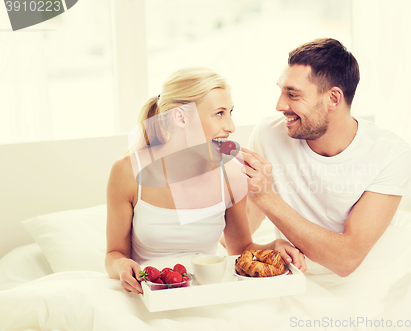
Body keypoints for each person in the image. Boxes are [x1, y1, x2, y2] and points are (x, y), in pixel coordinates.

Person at [105, 67, 305, 294]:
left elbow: (240, 249)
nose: (230, 127)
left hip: (205, 292)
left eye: (230, 112)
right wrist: (121, 265)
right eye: (219, 113)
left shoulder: (231, 175)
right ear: (180, 117)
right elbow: (114, 254)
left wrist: (273, 247)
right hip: (147, 294)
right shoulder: (127, 172)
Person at [240, 38, 411, 277]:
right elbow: (244, 228)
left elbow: (347, 259)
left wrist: (268, 198)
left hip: (371, 280)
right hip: (292, 275)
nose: (279, 105)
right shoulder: (268, 134)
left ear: (333, 98)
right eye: (281, 91)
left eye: (292, 94)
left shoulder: (390, 154)